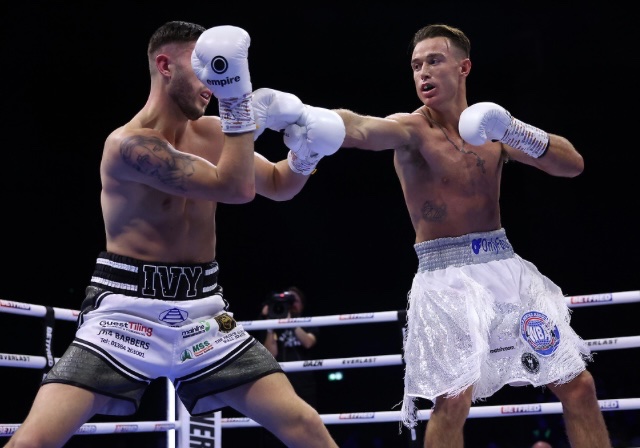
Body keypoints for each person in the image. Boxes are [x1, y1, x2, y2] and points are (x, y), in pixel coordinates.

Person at [4, 21, 345, 448]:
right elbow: (234, 188)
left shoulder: (212, 133)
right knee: (34, 440)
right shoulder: (129, 146)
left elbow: (277, 184)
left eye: (220, 69)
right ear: (165, 65)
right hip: (123, 315)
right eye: (203, 68)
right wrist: (239, 103)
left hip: (206, 314)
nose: (215, 83)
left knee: (305, 424)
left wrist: (306, 154)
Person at [332, 24, 611, 448]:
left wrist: (514, 129)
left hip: (506, 270)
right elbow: (362, 129)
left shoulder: (491, 131)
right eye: (415, 65)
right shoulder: (411, 129)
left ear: (464, 67)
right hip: (445, 278)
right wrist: (307, 119)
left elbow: (572, 164)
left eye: (434, 60)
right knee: (453, 400)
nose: (422, 72)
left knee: (579, 386)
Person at [257, 286, 321, 447]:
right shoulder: (272, 323)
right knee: (276, 425)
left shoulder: (308, 322)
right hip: (279, 381)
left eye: (294, 301)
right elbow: (270, 352)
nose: (291, 305)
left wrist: (291, 321)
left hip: (304, 382)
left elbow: (308, 342)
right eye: (287, 301)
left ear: (302, 305)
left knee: (307, 421)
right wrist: (270, 324)